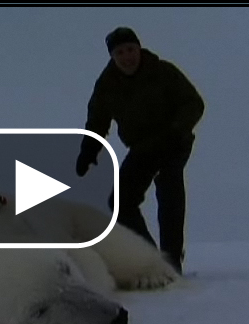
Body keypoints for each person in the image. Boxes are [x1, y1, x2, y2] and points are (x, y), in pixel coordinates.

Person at [76, 27, 205, 274]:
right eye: (120, 52)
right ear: (113, 57)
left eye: (130, 50)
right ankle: (149, 259)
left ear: (139, 48)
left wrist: (176, 129)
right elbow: (97, 121)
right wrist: (88, 151)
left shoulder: (163, 71)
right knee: (120, 202)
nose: (127, 57)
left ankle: (171, 261)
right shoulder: (107, 84)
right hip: (142, 147)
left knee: (169, 187)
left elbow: (194, 103)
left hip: (173, 141)